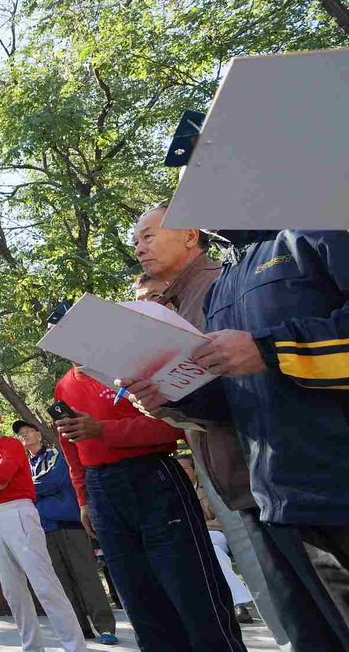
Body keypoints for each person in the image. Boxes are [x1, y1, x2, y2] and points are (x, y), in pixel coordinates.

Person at [132, 205, 285, 644]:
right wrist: (161, 401)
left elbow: (241, 382)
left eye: (148, 235)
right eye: (136, 240)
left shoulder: (221, 287)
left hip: (267, 467)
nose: (140, 247)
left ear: (190, 236)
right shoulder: (178, 302)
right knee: (280, 600)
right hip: (231, 475)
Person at [54, 364, 246, 650]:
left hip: (153, 476)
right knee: (138, 597)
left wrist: (102, 430)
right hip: (101, 489)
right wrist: (83, 498)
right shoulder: (64, 386)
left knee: (192, 590)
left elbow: (172, 427)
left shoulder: (130, 366)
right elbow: (70, 447)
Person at [0, 402, 87, 652]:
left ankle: (75, 647)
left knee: (44, 584)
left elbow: (3, 475)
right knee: (12, 590)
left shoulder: (12, 445)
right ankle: (31, 647)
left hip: (19, 511)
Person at [15, 420, 118, 644]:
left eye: (28, 431)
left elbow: (56, 482)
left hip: (69, 525)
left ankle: (105, 627)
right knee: (61, 581)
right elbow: (22, 492)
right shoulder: (25, 466)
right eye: (21, 434)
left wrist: (31, 489)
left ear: (38, 435)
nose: (24, 436)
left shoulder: (56, 457)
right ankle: (80, 628)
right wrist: (33, 490)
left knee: (86, 577)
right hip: (43, 530)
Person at [175, 455, 256, 624]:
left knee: (208, 545)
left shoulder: (209, 490)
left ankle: (236, 602)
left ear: (195, 471)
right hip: (194, 539)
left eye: (184, 469)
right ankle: (237, 603)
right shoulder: (174, 494)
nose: (179, 474)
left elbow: (224, 519)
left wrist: (199, 527)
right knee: (211, 551)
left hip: (219, 533)